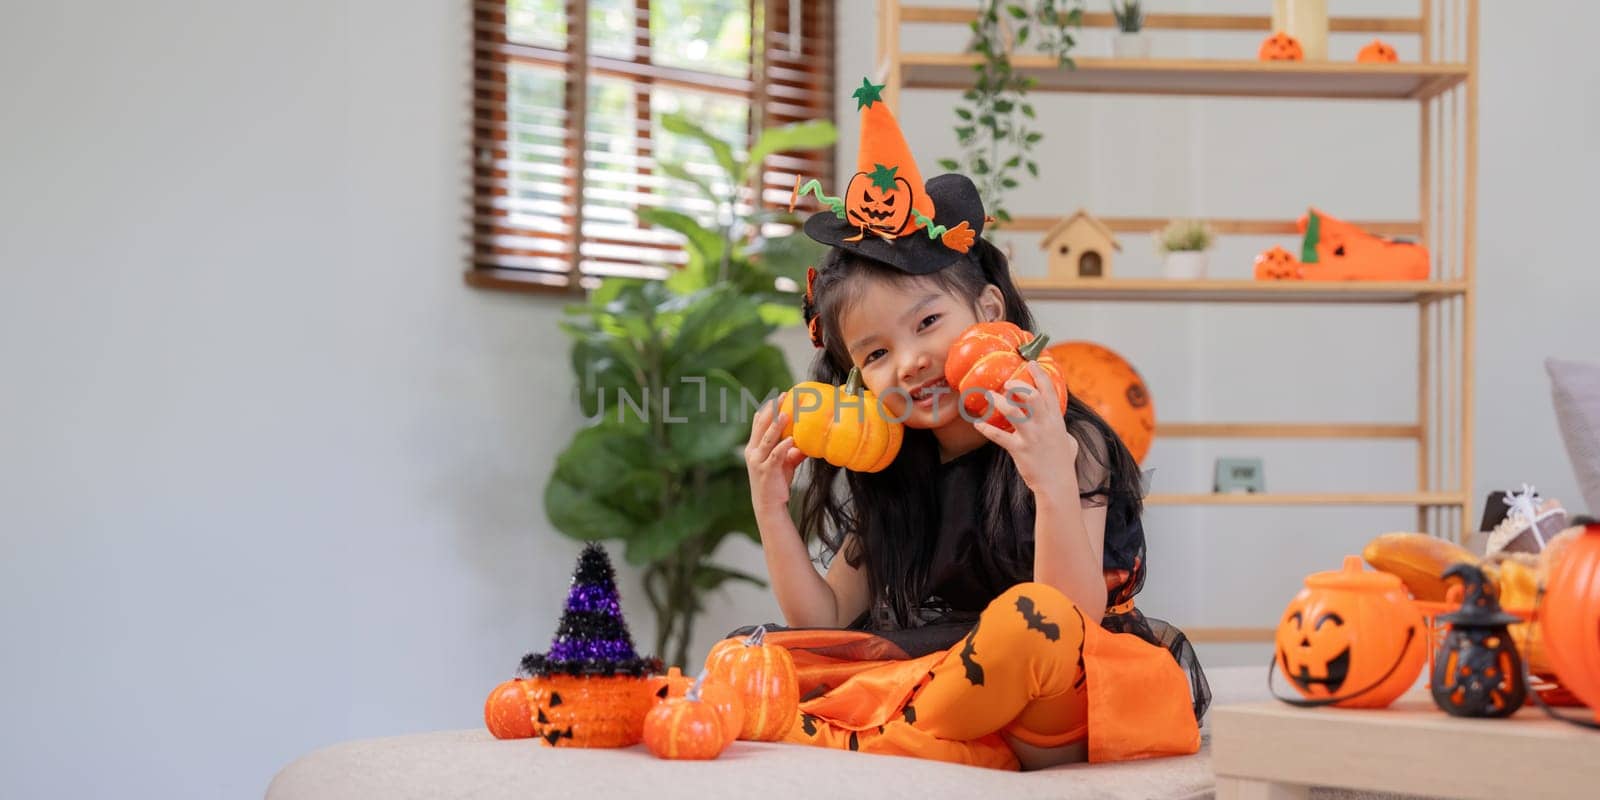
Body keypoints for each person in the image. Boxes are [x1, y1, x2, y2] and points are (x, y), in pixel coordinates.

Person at [722, 77, 1210, 771]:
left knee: (1023, 625)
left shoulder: (1073, 442)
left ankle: (881, 735)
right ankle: (940, 739)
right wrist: (771, 510)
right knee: (752, 653)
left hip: (1051, 691)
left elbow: (1071, 618)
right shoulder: (893, 464)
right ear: (857, 375)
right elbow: (825, 621)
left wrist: (1047, 473)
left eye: (928, 323)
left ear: (987, 312)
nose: (912, 361)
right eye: (878, 353)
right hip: (947, 680)